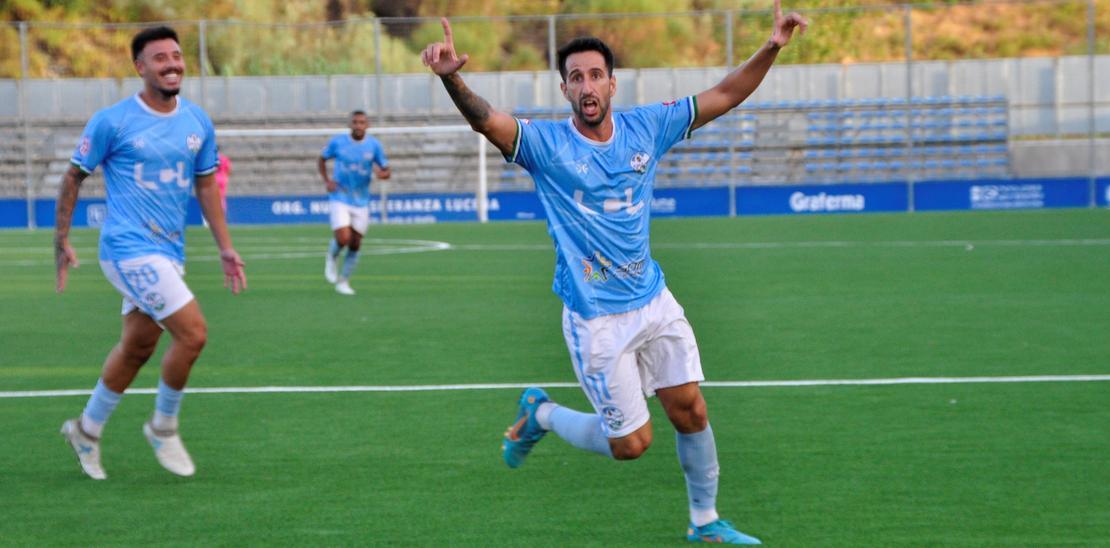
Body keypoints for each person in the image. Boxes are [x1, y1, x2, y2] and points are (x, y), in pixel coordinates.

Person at [420, 1, 806, 543]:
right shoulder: (548, 146)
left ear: (612, 84)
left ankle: (705, 522)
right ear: (565, 90)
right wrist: (452, 81)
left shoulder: (646, 128)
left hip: (653, 299)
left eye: (595, 75)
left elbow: (724, 94)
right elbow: (490, 122)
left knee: (691, 410)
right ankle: (543, 414)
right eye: (575, 78)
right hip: (597, 319)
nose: (587, 86)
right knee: (632, 445)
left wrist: (771, 47)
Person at [54, 25, 248, 480]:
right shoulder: (113, 120)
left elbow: (205, 185)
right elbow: (72, 176)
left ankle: (86, 429)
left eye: (176, 56)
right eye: (160, 58)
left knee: (139, 345)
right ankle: (163, 426)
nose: (172, 64)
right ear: (140, 67)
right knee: (193, 334)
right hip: (126, 248)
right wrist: (60, 239)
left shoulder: (197, 121)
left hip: (167, 250)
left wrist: (225, 247)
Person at [318, 110, 391, 296]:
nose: (358, 125)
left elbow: (386, 170)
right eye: (355, 122)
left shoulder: (374, 145)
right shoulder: (338, 142)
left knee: (355, 244)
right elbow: (322, 158)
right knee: (343, 238)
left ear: (368, 125)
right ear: (350, 124)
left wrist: (382, 174)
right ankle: (332, 256)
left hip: (361, 200)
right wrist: (327, 180)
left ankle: (343, 281)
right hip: (340, 197)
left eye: (362, 122)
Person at [215, 147, 231, 213]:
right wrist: (226, 177)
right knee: (222, 197)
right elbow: (228, 169)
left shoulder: (213, 159)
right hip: (223, 179)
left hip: (215, 178)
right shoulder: (224, 159)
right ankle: (222, 213)